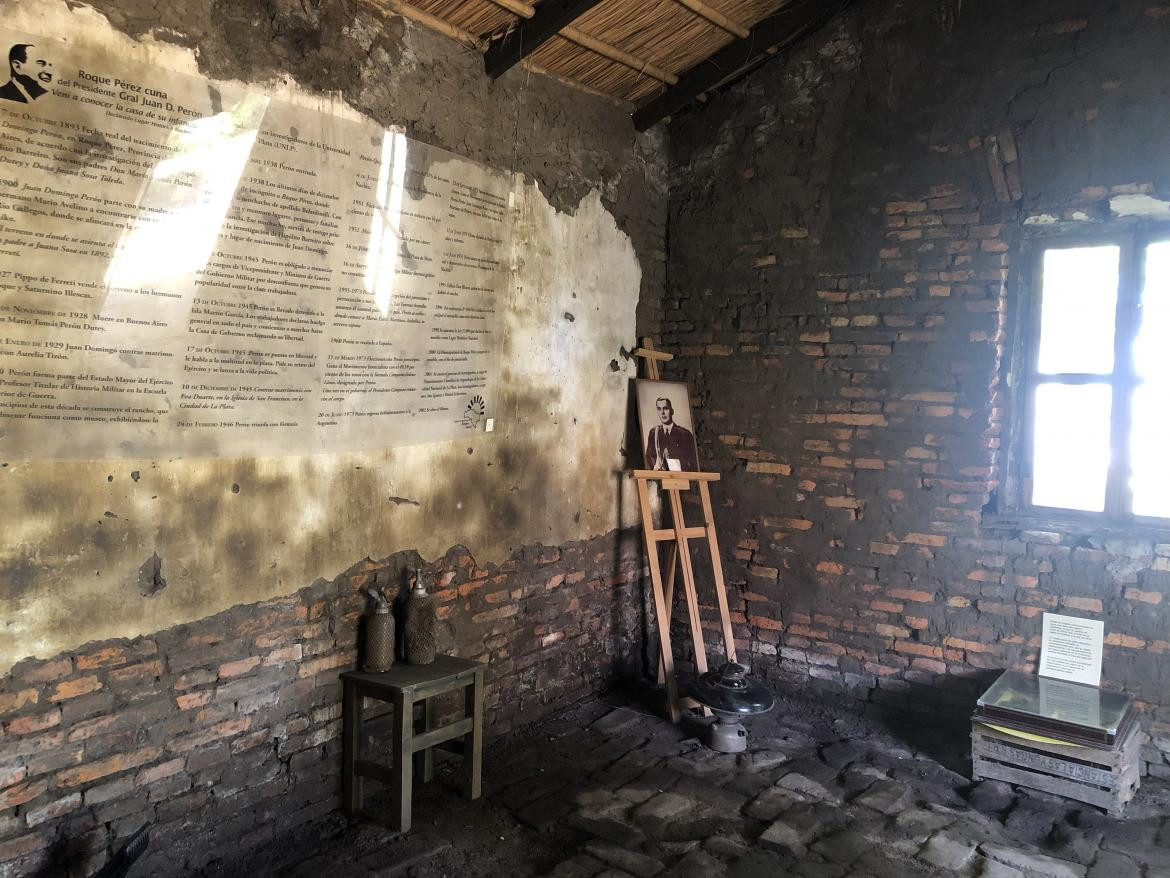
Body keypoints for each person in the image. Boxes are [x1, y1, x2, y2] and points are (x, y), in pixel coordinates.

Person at [645, 396, 699, 472]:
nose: (662, 412)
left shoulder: (685, 434)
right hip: (659, 479)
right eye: (659, 409)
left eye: (665, 408)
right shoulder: (654, 433)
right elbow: (649, 459)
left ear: (672, 411)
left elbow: (693, 464)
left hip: (681, 479)